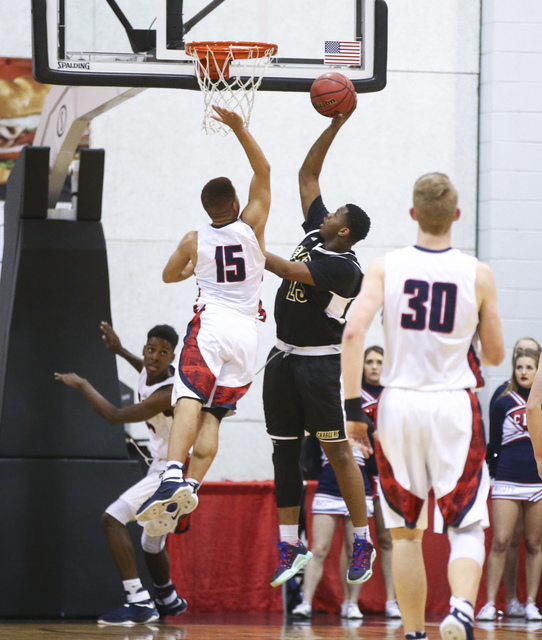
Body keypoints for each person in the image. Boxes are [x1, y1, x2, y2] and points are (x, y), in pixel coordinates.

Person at [341, 172, 505, 640]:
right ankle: (459, 610)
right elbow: (495, 355)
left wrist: (353, 410)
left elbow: (353, 333)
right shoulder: (478, 274)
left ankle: (413, 633)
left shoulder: (385, 267)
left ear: (413, 214)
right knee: (467, 524)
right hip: (453, 405)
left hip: (398, 406)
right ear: (456, 215)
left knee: (407, 533)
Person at [136, 106, 270, 528]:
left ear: (206, 207)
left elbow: (167, 274)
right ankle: (192, 486)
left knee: (188, 399)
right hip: (248, 336)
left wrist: (196, 268)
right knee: (214, 416)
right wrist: (238, 127)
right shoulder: (252, 224)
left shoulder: (195, 239)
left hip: (211, 327)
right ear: (235, 202)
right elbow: (263, 169)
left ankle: (171, 475)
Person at [262, 107, 374, 590]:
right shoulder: (316, 233)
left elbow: (286, 271)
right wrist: (334, 125)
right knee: (282, 456)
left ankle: (364, 537)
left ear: (344, 230)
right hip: (282, 358)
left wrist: (240, 242)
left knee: (338, 453)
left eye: (334, 216)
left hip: (320, 368)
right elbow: (308, 174)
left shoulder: (345, 268)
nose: (325, 214)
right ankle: (291, 543)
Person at [55, 322, 188, 626]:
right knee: (151, 541)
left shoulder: (167, 393)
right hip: (167, 464)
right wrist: (119, 351)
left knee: (112, 518)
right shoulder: (153, 369)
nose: (154, 357)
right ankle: (167, 598)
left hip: (171, 470)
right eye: (150, 349)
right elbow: (144, 369)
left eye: (162, 353)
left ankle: (138, 601)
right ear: (145, 348)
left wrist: (84, 384)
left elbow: (115, 416)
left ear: (172, 357)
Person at [477, 348, 542, 623]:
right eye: (520, 367)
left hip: (537, 481)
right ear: (514, 370)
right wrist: (494, 473)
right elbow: (492, 443)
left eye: (530, 367)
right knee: (502, 541)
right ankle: (493, 603)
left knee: (534, 543)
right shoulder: (502, 400)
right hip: (506, 477)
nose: (524, 372)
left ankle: (529, 603)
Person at [291, 436, 374, 620]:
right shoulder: (324, 409)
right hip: (329, 482)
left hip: (359, 482)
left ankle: (351, 603)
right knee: (319, 548)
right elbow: (310, 448)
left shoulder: (364, 413)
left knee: (355, 550)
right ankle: (306, 602)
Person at [361, 345, 401, 620]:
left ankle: (392, 600)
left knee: (387, 539)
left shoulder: (394, 395)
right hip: (359, 474)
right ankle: (350, 603)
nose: (375, 366)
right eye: (370, 361)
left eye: (379, 361)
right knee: (358, 541)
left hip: (387, 473)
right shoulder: (353, 396)